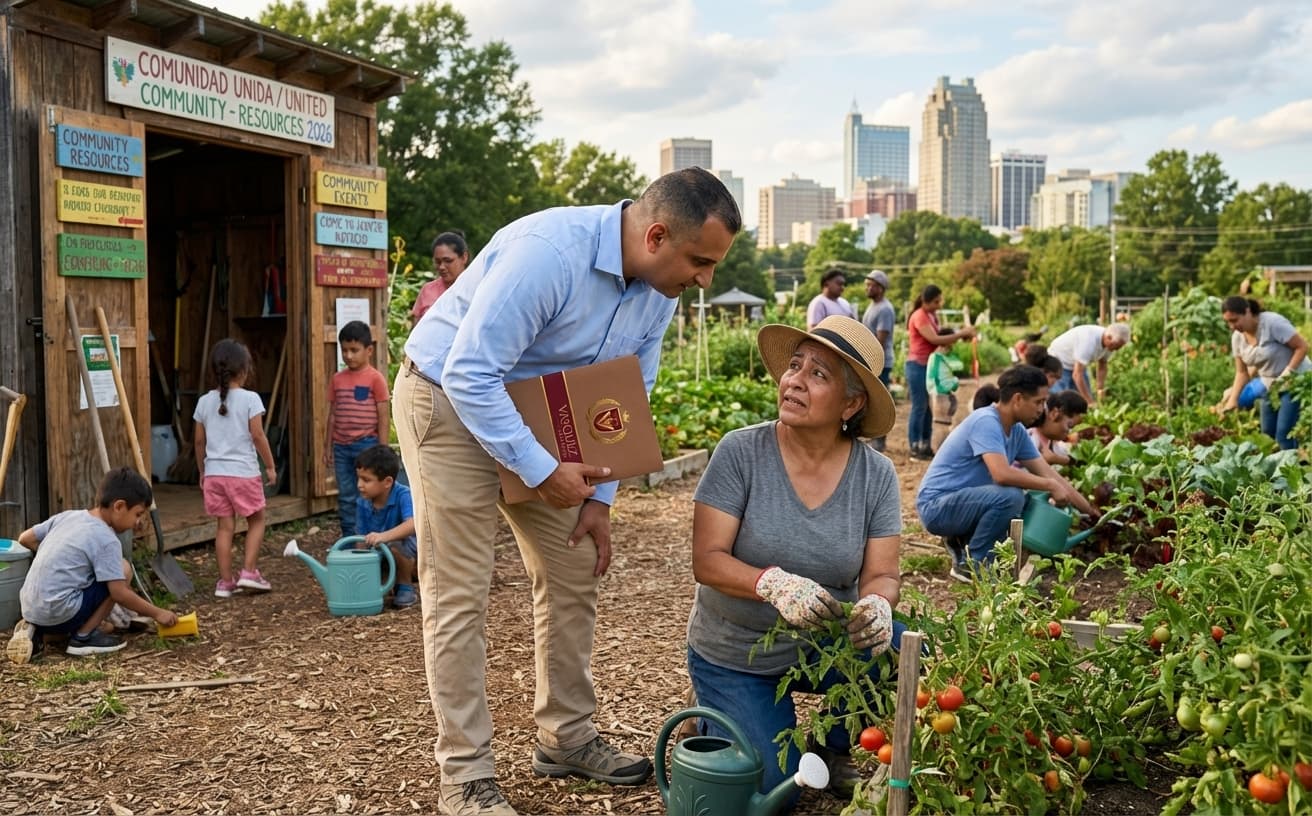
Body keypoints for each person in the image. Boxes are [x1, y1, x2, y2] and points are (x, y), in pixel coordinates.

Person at [396, 167, 740, 816]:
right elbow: (471, 373)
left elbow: (621, 398)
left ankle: (565, 736)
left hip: (536, 411)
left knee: (575, 559)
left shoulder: (658, 291)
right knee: (461, 591)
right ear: (657, 234)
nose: (705, 280)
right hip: (448, 400)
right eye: (700, 261)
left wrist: (598, 501)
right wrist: (540, 469)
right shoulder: (549, 255)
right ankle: (465, 779)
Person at [687, 316, 902, 803]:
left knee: (902, 650)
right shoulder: (741, 452)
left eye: (818, 374)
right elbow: (707, 560)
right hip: (738, 653)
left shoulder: (876, 475)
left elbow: (882, 573)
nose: (795, 381)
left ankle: (831, 745)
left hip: (826, 644)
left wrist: (877, 605)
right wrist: (773, 583)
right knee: (776, 790)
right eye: (794, 366)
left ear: (851, 403)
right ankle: (714, 709)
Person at [916, 365, 1097, 583]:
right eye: (1038, 402)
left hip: (960, 503)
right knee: (1010, 497)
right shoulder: (986, 421)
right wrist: (1049, 486)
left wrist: (1090, 512)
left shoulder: (1017, 431)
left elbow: (1050, 474)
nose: (1042, 410)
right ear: (1018, 399)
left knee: (1025, 501)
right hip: (937, 507)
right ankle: (974, 564)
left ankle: (963, 541)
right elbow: (1001, 474)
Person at [6, 468, 178, 664]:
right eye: (137, 514)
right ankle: (83, 638)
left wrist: (56, 558)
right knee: (123, 569)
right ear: (119, 506)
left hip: (30, 608)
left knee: (104, 616)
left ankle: (39, 633)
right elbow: (119, 593)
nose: (137, 523)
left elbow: (24, 538)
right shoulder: (106, 539)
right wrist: (158, 613)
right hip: (61, 612)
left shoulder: (68, 516)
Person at [195, 339, 278, 597]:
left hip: (215, 475)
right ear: (244, 370)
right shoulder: (250, 399)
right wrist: (271, 466)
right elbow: (258, 436)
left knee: (224, 527)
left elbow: (199, 441)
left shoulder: (204, 402)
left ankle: (225, 582)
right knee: (257, 520)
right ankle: (249, 572)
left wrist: (202, 471)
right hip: (243, 473)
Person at [1214, 296, 1311, 450]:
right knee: (1267, 434)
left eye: (1234, 320)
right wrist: (1233, 400)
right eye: (1228, 322)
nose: (1232, 326)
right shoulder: (1237, 338)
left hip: (1295, 381)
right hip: (1270, 385)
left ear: (1247, 311)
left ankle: (1292, 470)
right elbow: (1242, 372)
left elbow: (1302, 347)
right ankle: (1274, 470)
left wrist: (1287, 373)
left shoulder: (1273, 323)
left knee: (1284, 433)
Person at [323, 321, 390, 538]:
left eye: (354, 350)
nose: (349, 355)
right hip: (341, 447)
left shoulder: (375, 379)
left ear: (368, 350)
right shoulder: (337, 379)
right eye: (344, 350)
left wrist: (382, 448)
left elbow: (383, 414)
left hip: (367, 446)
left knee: (367, 495)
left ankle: (371, 539)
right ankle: (350, 541)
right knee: (346, 496)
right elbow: (332, 415)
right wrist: (328, 446)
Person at [905, 285, 975, 460]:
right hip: (917, 364)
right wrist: (960, 334)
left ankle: (925, 444)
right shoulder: (919, 316)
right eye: (936, 301)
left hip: (927, 364)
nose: (939, 305)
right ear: (926, 301)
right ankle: (915, 445)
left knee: (929, 408)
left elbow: (941, 337)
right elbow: (934, 339)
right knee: (919, 406)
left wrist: (960, 335)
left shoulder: (931, 315)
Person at [353, 444, 418, 609]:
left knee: (395, 547)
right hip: (380, 552)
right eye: (359, 478)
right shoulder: (363, 502)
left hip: (408, 551)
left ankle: (405, 586)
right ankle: (385, 582)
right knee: (368, 554)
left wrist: (383, 536)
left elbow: (413, 525)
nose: (360, 485)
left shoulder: (403, 495)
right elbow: (361, 539)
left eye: (366, 480)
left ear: (387, 481)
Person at [1047, 323, 1131, 405]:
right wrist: (1089, 402)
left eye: (1119, 347)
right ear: (1108, 338)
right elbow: (1077, 375)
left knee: (1083, 398)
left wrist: (1100, 389)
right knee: (1062, 400)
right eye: (1116, 346)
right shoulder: (1088, 342)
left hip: (1077, 364)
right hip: (1059, 361)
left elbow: (1102, 364)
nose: (1116, 350)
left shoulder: (1110, 344)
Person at [861, 269, 895, 452]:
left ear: (880, 288)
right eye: (867, 285)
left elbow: (879, 340)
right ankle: (874, 437)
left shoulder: (884, 309)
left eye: (871, 285)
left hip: (880, 361)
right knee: (871, 401)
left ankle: (879, 440)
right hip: (871, 361)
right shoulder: (873, 306)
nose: (867, 288)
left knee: (879, 401)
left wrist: (871, 360)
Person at [411, 231, 470, 324]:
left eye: (448, 261)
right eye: (438, 262)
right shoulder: (428, 290)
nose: (442, 267)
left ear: (464, 257)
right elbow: (416, 330)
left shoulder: (475, 290)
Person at [1028, 391, 1088, 467]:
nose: (1069, 432)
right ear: (1054, 414)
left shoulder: (1051, 442)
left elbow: (1072, 459)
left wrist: (1057, 459)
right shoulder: (1031, 439)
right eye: (1069, 426)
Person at [927, 328, 961, 446]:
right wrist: (954, 382)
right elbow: (938, 379)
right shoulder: (937, 358)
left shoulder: (939, 357)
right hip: (940, 394)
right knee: (942, 425)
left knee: (945, 424)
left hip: (942, 393)